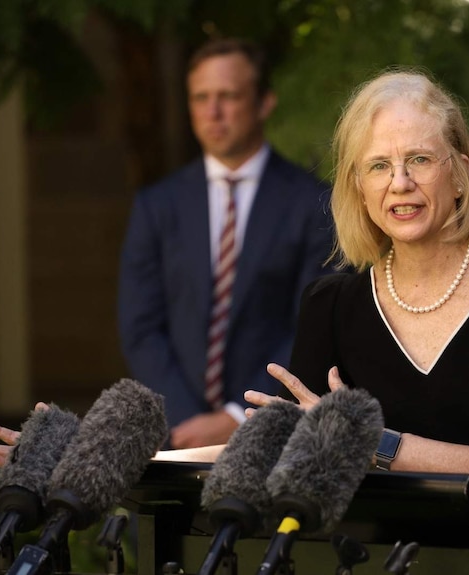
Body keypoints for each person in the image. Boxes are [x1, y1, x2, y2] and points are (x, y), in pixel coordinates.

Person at [0, 69, 469, 570]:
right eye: (378, 166)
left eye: (421, 159)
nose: (401, 183)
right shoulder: (332, 304)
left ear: (461, 171)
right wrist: (76, 465)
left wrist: (373, 444)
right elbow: (265, 450)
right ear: (357, 188)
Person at [115, 37, 334, 448]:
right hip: (175, 433)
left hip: (275, 432)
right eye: (201, 97)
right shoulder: (156, 205)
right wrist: (188, 421)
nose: (212, 112)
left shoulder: (315, 204)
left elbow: (312, 327)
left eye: (228, 96)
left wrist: (239, 414)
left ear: (264, 102)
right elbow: (140, 326)